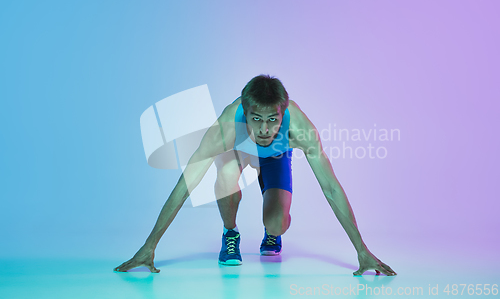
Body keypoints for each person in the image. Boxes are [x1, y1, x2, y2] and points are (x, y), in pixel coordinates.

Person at [114, 75, 396, 276]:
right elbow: (185, 186)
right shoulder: (226, 126)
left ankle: (271, 231)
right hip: (239, 152)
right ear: (245, 112)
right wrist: (149, 246)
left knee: (276, 224)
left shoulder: (299, 128)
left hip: (275, 159)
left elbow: (331, 189)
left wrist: (361, 250)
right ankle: (230, 233)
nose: (263, 129)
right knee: (225, 173)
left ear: (282, 112)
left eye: (272, 120)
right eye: (256, 119)